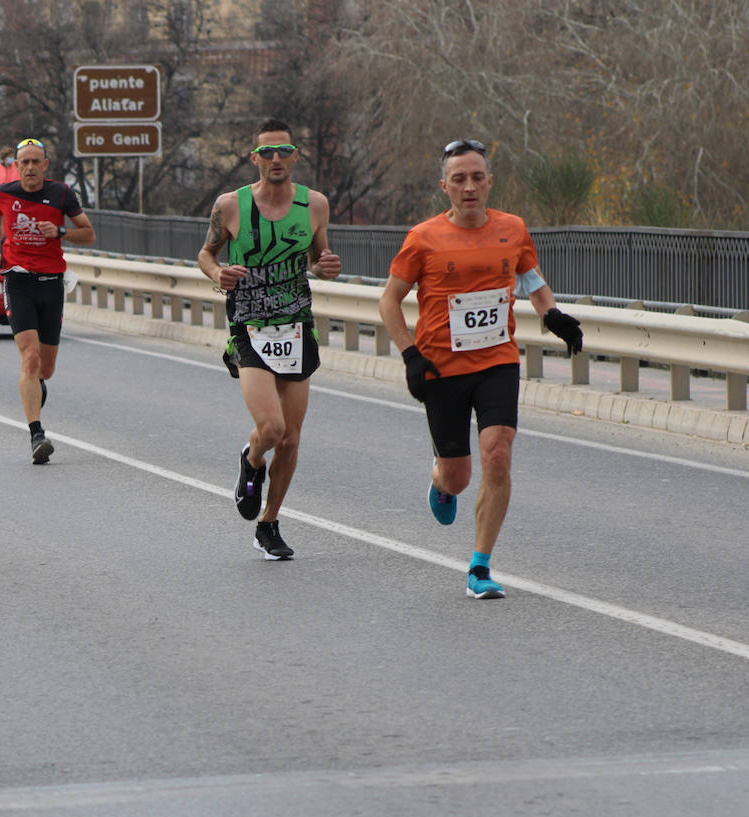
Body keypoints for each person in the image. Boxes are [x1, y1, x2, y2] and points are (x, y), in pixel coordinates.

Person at [377, 138, 584, 598]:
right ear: (444, 186)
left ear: (490, 181)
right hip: (441, 367)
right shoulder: (423, 238)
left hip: (496, 360)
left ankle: (480, 567)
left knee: (498, 453)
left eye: (477, 178)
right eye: (459, 179)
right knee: (459, 475)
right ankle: (440, 481)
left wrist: (553, 315)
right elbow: (389, 300)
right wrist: (410, 355)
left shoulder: (512, 228)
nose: (469, 187)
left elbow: (530, 278)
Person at [197, 118, 342, 560]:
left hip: (297, 326)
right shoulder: (231, 205)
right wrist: (217, 273)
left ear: (295, 156)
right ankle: (252, 459)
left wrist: (324, 267)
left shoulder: (315, 205)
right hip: (249, 328)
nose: (275, 160)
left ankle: (269, 523)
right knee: (273, 429)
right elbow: (207, 254)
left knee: (293, 439)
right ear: (254, 157)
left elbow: (318, 258)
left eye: (283, 152)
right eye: (267, 153)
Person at [0, 137, 96, 464]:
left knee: (45, 367)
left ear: (45, 165)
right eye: (25, 162)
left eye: (36, 162)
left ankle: (36, 385)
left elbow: (89, 233)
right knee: (30, 357)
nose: (31, 167)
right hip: (18, 280)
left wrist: (61, 233)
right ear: (16, 166)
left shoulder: (61, 193)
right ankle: (37, 434)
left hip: (51, 285)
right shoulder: (5, 193)